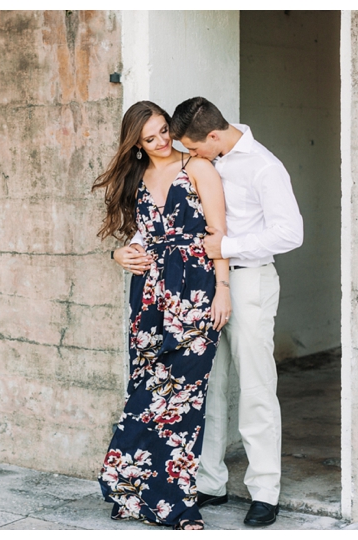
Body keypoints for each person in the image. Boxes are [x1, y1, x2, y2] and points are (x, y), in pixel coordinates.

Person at [116, 97, 303, 527]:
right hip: (196, 287)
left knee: (255, 385)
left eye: (191, 147)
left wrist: (227, 249)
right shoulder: (201, 158)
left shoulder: (263, 166)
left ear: (213, 138)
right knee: (206, 384)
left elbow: (290, 232)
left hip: (248, 277)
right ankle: (210, 481)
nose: (185, 154)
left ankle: (264, 491)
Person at [93, 101, 230, 530]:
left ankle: (175, 504)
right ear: (136, 143)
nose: (161, 141)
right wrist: (120, 254)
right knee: (144, 396)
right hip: (150, 297)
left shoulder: (199, 169)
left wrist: (223, 290)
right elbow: (133, 236)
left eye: (164, 130)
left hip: (195, 293)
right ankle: (133, 494)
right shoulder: (136, 178)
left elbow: (218, 233)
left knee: (183, 402)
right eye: (150, 137)